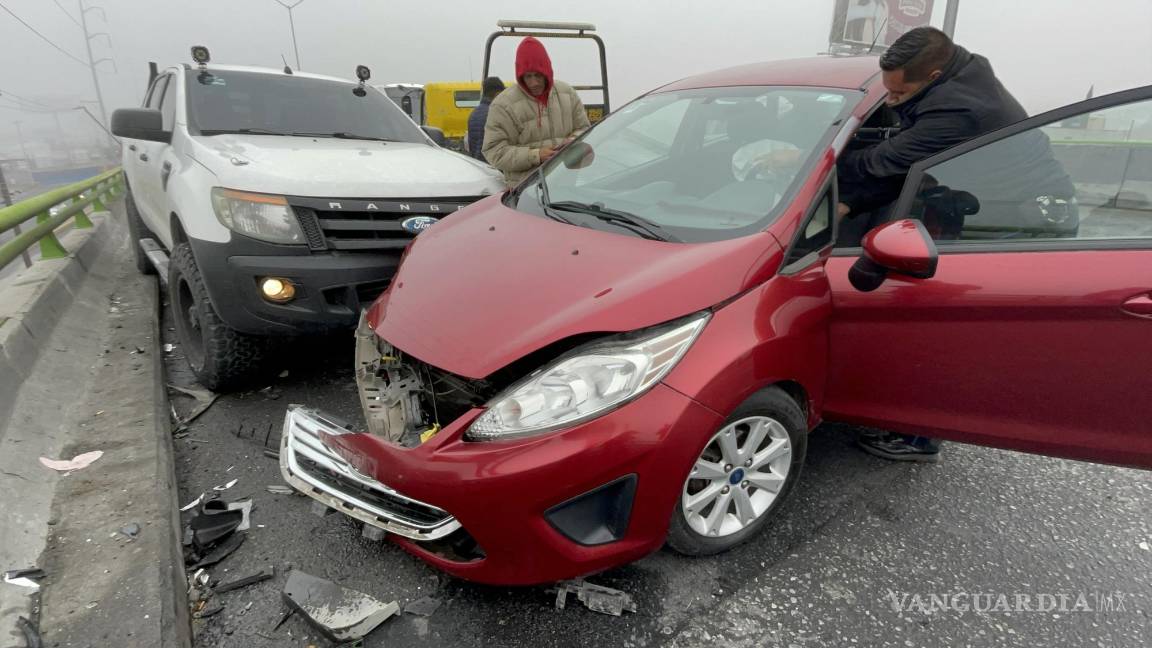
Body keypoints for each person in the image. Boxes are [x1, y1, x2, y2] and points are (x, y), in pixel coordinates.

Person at [839, 27, 1029, 463]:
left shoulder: (961, 109)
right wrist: (850, 203)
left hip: (1006, 217)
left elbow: (883, 162)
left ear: (934, 75)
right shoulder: (958, 72)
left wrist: (812, 164)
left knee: (936, 315)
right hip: (967, 193)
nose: (890, 102)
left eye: (898, 94)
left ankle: (920, 435)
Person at [482, 36, 591, 186]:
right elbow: (494, 151)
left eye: (538, 75)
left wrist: (572, 141)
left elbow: (585, 129)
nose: (533, 82)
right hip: (525, 192)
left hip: (565, 186)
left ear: (547, 71)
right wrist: (536, 155)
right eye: (528, 76)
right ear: (520, 75)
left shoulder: (567, 94)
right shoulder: (503, 105)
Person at [467, 76, 504, 162]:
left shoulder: (474, 113)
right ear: (498, 94)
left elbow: (472, 144)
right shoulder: (494, 114)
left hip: (478, 164)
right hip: (490, 165)